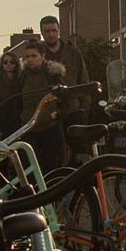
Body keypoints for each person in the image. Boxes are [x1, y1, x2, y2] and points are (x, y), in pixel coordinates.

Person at [40, 14, 92, 152]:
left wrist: (84, 108)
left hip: (73, 110)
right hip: (49, 112)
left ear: (59, 31)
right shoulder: (38, 55)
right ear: (42, 33)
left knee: (80, 151)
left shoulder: (73, 52)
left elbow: (84, 80)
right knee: (53, 152)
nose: (51, 34)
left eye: (54, 30)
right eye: (47, 31)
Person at [17, 40, 67, 170]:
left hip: (50, 127)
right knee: (28, 166)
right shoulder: (23, 77)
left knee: (51, 167)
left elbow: (65, 98)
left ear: (43, 57)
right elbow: (17, 100)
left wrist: (56, 114)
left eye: (34, 56)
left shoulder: (52, 75)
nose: (30, 60)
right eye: (27, 56)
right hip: (28, 128)